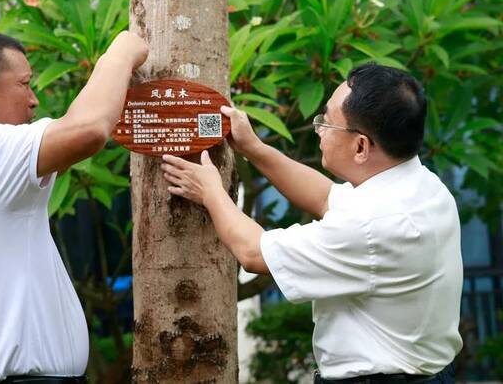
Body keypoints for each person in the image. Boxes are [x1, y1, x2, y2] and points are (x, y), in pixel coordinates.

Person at [161, 64, 462, 383]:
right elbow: (323, 197)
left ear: (360, 146)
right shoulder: (421, 185)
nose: (319, 129)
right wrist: (254, 149)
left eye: (327, 123)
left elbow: (254, 253)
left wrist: (210, 191)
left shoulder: (373, 224)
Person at [0, 30, 148, 384]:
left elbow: (65, 150)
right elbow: (87, 131)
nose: (34, 99)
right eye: (24, 83)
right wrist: (121, 51)